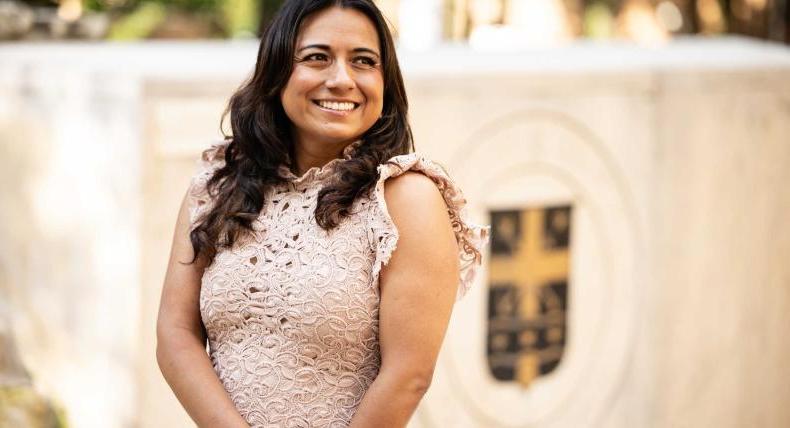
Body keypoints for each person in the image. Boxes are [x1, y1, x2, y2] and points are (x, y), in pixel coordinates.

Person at [155, 0, 489, 426]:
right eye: (317, 58)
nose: (341, 80)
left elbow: (408, 376)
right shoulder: (219, 183)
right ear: (277, 71)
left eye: (364, 61)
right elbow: (175, 334)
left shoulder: (406, 198)